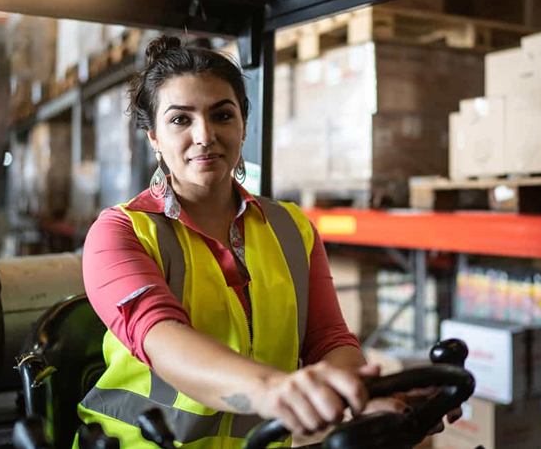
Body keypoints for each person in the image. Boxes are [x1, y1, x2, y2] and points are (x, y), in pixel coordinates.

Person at [76, 35, 459, 449]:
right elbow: (165, 341)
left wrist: (370, 399)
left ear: (243, 123)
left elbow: (328, 340)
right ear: (153, 138)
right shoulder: (119, 234)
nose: (204, 135)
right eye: (180, 120)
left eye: (222, 115)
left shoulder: (293, 228)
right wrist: (276, 391)